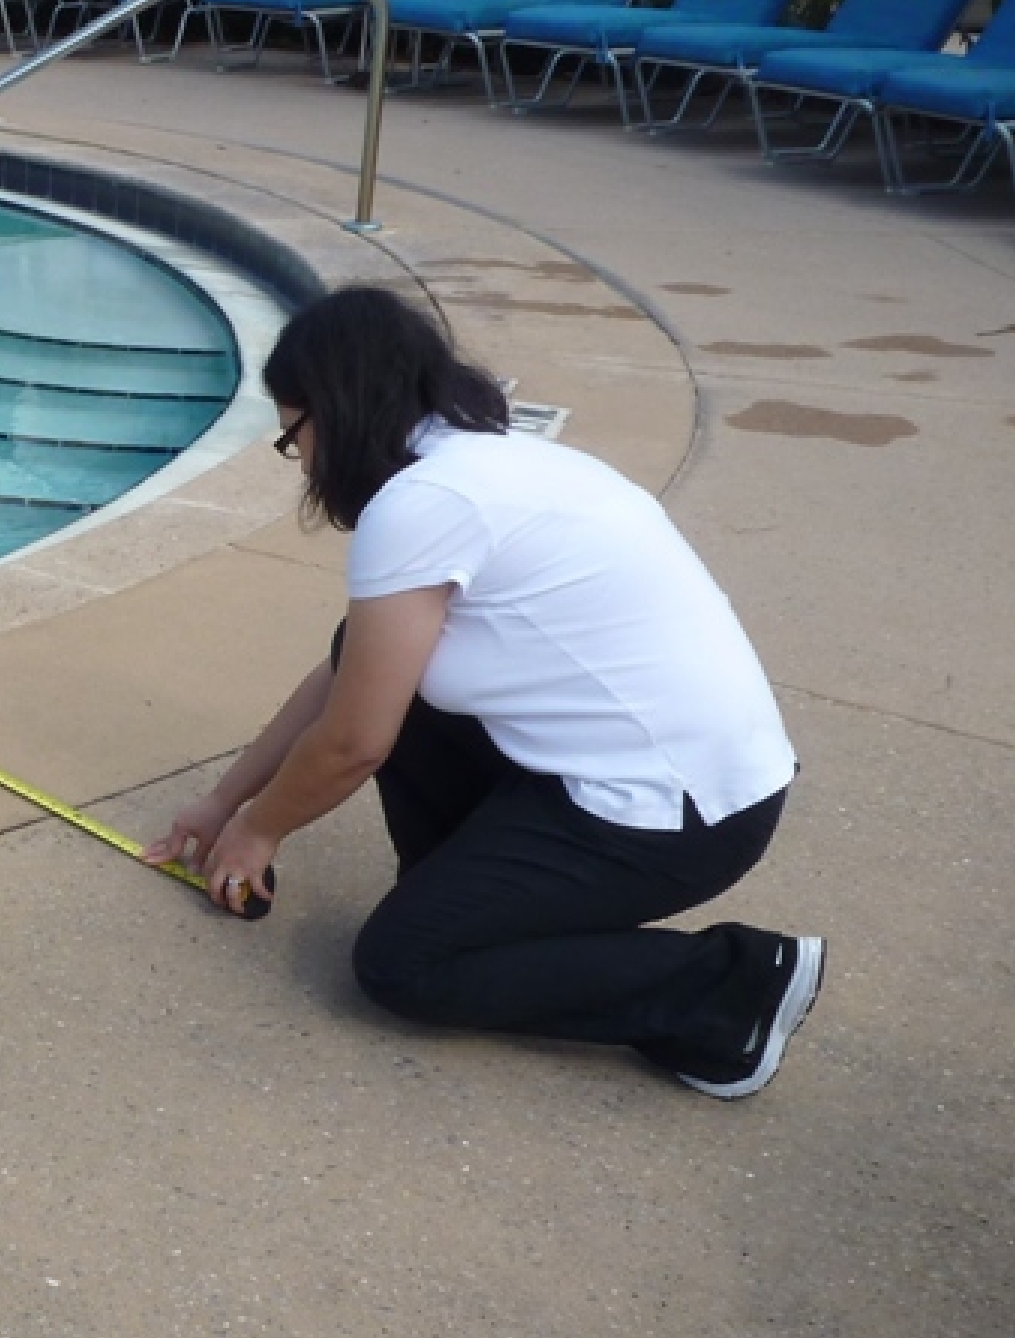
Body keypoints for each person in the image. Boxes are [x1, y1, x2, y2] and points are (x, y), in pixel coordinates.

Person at [144, 285, 821, 1098]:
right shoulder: (489, 459)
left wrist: (258, 830)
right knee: (367, 659)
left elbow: (354, 744)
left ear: (331, 412)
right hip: (698, 779)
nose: (305, 463)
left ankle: (732, 985)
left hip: (676, 820)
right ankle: (470, 904)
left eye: (293, 436)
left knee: (403, 965)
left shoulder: (420, 504)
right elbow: (344, 675)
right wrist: (224, 802)